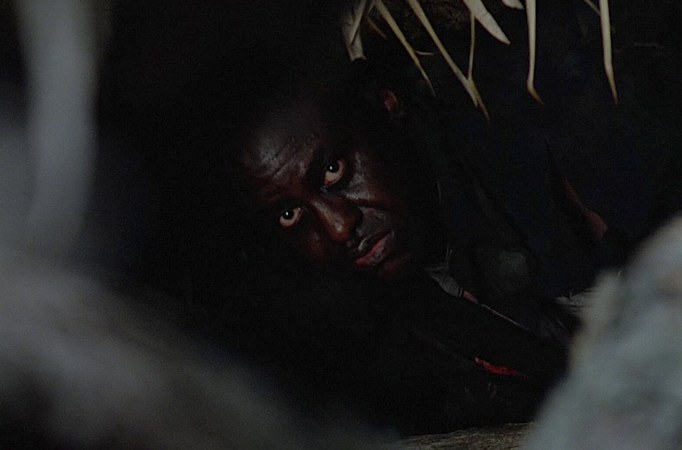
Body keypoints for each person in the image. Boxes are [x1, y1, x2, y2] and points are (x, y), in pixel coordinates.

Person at [234, 62, 618, 432]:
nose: (338, 228)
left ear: (386, 106)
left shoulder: (532, 150)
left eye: (334, 170)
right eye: (289, 214)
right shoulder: (362, 306)